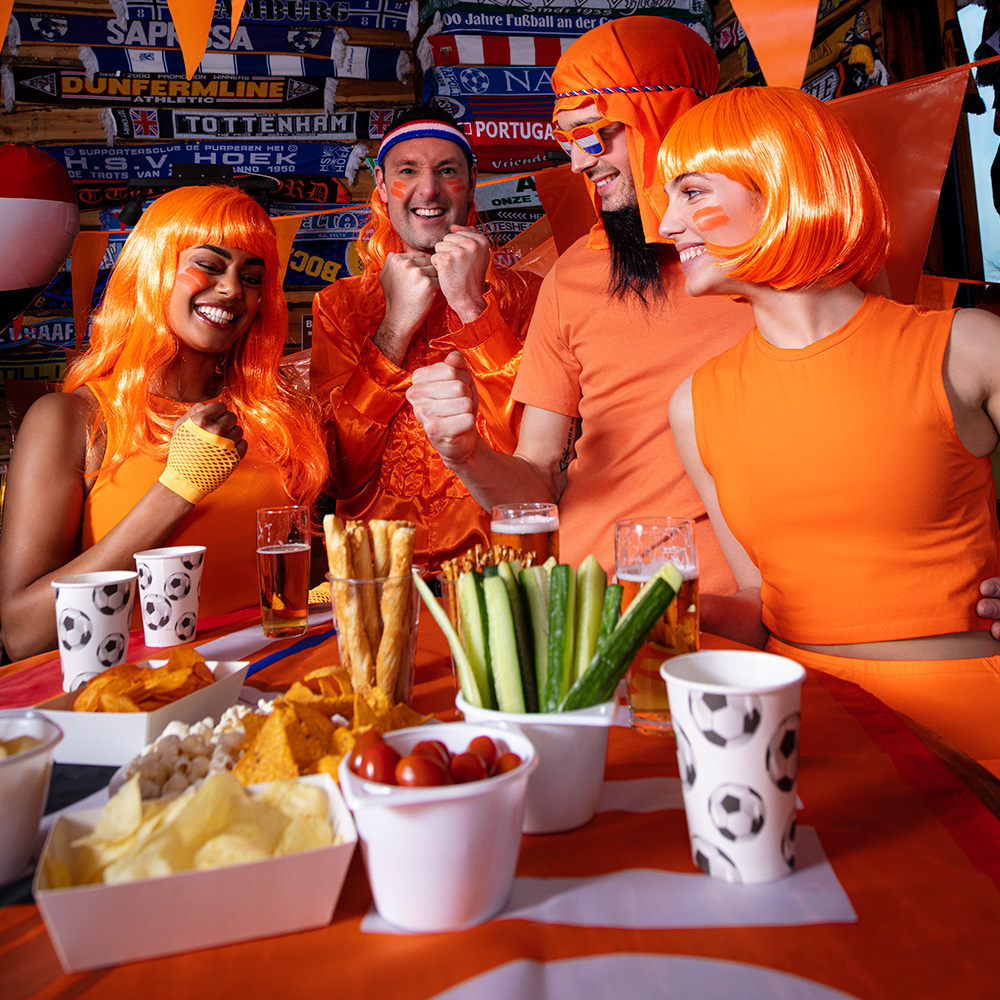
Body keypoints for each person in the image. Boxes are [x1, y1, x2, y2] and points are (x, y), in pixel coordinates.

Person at [658, 86, 1000, 772]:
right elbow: (761, 603)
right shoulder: (695, 403)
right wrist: (664, 612)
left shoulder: (969, 346)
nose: (667, 223)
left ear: (780, 184)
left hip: (973, 726)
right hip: (801, 729)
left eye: (692, 192)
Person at [407, 17, 754, 613]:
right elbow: (537, 475)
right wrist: (466, 455)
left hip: (727, 605)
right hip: (589, 600)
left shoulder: (775, 259)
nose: (577, 162)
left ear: (671, 119)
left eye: (595, 133)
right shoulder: (572, 275)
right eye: (567, 139)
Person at [0, 185, 328, 661]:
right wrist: (176, 488)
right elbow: (23, 633)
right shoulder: (73, 419)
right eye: (209, 266)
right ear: (154, 268)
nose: (232, 289)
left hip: (270, 698)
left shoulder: (278, 421)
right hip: (139, 708)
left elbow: (298, 585)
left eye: (251, 276)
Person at [309, 106, 541, 572]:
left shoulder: (530, 297)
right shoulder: (340, 306)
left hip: (502, 571)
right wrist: (393, 328)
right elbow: (337, 475)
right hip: (376, 578)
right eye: (408, 171)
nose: (428, 190)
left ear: (472, 180)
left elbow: (536, 458)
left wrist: (473, 307)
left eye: (447, 170)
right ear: (380, 185)